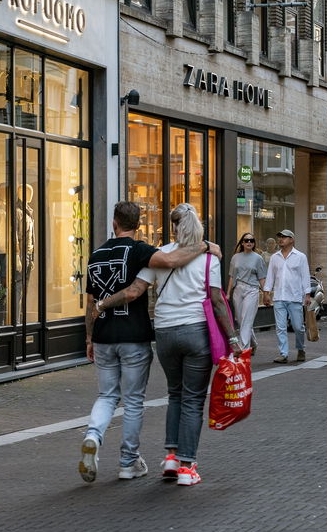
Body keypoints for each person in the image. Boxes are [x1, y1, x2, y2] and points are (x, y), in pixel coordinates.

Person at [100, 204, 239, 488]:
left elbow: (135, 290)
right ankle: (188, 466)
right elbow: (216, 300)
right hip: (195, 331)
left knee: (175, 394)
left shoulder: (160, 254)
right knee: (193, 399)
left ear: (174, 226)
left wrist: (102, 304)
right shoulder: (209, 257)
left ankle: (172, 458)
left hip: (164, 332)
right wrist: (233, 338)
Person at [80, 203, 208, 483]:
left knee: (106, 395)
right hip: (133, 335)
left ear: (114, 223)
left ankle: (93, 434)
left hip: (102, 336)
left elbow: (89, 302)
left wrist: (89, 336)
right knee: (134, 400)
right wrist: (205, 247)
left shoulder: (96, 254)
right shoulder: (140, 251)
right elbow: (171, 262)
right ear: (137, 224)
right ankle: (128, 462)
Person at [262, 229, 313, 363]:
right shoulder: (275, 257)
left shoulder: (300, 257)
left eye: (284, 237)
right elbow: (270, 276)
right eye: (279, 237)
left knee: (298, 327)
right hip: (279, 297)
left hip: (295, 297)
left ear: (291, 240)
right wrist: (266, 293)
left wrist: (307, 294)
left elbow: (305, 276)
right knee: (280, 327)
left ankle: (301, 348)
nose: (281, 239)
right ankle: (283, 353)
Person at [228, 234, 268, 349]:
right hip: (238, 289)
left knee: (246, 319)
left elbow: (262, 278)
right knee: (240, 320)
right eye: (246, 240)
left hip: (252, 289)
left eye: (252, 240)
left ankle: (243, 348)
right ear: (242, 243)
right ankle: (253, 343)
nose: (249, 242)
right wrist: (228, 293)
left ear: (254, 243)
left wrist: (266, 294)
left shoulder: (258, 258)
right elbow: (232, 276)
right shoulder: (235, 257)